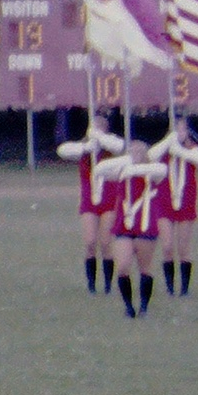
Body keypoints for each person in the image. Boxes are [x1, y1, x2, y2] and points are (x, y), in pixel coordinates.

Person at [55, 112, 125, 294]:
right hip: (89, 201)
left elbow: (120, 147)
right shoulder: (84, 147)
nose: (97, 128)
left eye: (101, 125)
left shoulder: (112, 146)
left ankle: (108, 284)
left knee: (106, 242)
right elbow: (63, 150)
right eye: (95, 126)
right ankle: (91, 284)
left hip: (109, 200)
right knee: (90, 242)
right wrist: (87, 147)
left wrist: (100, 138)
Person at [96, 142, 169, 318]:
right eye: (132, 151)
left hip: (145, 226)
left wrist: (136, 168)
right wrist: (125, 162)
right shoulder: (121, 171)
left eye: (139, 151)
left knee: (145, 268)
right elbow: (100, 169)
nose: (135, 154)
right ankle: (128, 307)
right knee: (122, 267)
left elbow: (162, 170)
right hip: (124, 226)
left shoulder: (153, 172)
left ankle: (144, 307)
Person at [153, 115, 198, 296]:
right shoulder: (165, 149)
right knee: (167, 246)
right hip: (164, 201)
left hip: (186, 201)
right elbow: (152, 155)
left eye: (182, 129)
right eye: (176, 129)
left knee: (183, 247)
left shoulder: (191, 149)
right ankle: (170, 286)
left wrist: (182, 149)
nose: (179, 132)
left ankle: (184, 288)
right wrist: (169, 142)